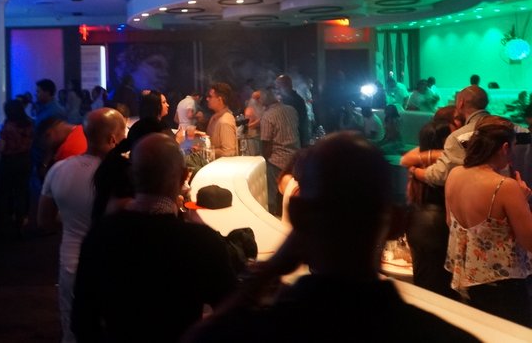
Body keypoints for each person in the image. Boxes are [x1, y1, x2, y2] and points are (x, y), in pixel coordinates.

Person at [184, 133, 479, 342]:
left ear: (297, 216)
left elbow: (200, 337)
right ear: (397, 223)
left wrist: (269, 271)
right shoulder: (444, 337)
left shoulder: (253, 331)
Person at [72, 133, 237, 343]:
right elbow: (231, 316)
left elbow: (82, 321)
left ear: (132, 176)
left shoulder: (100, 234)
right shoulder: (203, 242)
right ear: (184, 177)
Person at [38, 108, 127, 343]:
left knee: (73, 327)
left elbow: (44, 220)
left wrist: (70, 219)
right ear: (113, 139)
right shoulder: (124, 174)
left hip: (71, 261)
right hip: (115, 261)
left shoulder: (59, 169)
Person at [444, 116, 532, 326]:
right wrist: (524, 200)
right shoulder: (505, 186)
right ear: (504, 147)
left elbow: (450, 222)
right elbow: (529, 241)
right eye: (513, 147)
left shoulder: (454, 174)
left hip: (470, 283)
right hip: (504, 287)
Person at [401, 120, 459, 299]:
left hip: (418, 218)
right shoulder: (447, 165)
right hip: (437, 223)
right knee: (440, 289)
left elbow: (406, 160)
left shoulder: (420, 162)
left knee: (426, 283)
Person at [412, 85, 489, 187]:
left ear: (461, 103)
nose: (459, 122)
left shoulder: (458, 137)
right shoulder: (507, 126)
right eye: (456, 119)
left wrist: (414, 171)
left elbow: (441, 175)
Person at [258, 88, 299, 217]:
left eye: (261, 98)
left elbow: (266, 143)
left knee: (272, 197)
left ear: (266, 99)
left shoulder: (267, 116)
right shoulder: (291, 110)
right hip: (294, 158)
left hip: (276, 160)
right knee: (291, 192)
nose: (259, 101)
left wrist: (263, 160)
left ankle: (273, 220)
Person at [0, 99, 34, 237]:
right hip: (25, 159)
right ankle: (21, 220)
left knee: (5, 192)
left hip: (9, 162)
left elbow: (1, 148)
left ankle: (5, 223)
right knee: (22, 191)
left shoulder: (7, 126)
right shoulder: (29, 123)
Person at [274, 74, 309, 147]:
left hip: (294, 139)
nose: (277, 89)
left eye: (279, 86)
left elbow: (298, 121)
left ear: (286, 85)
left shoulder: (295, 100)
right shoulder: (286, 98)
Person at [206, 82, 238, 158]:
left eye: (210, 97)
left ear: (219, 99)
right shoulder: (215, 117)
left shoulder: (225, 121)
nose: (207, 99)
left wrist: (205, 151)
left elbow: (229, 152)